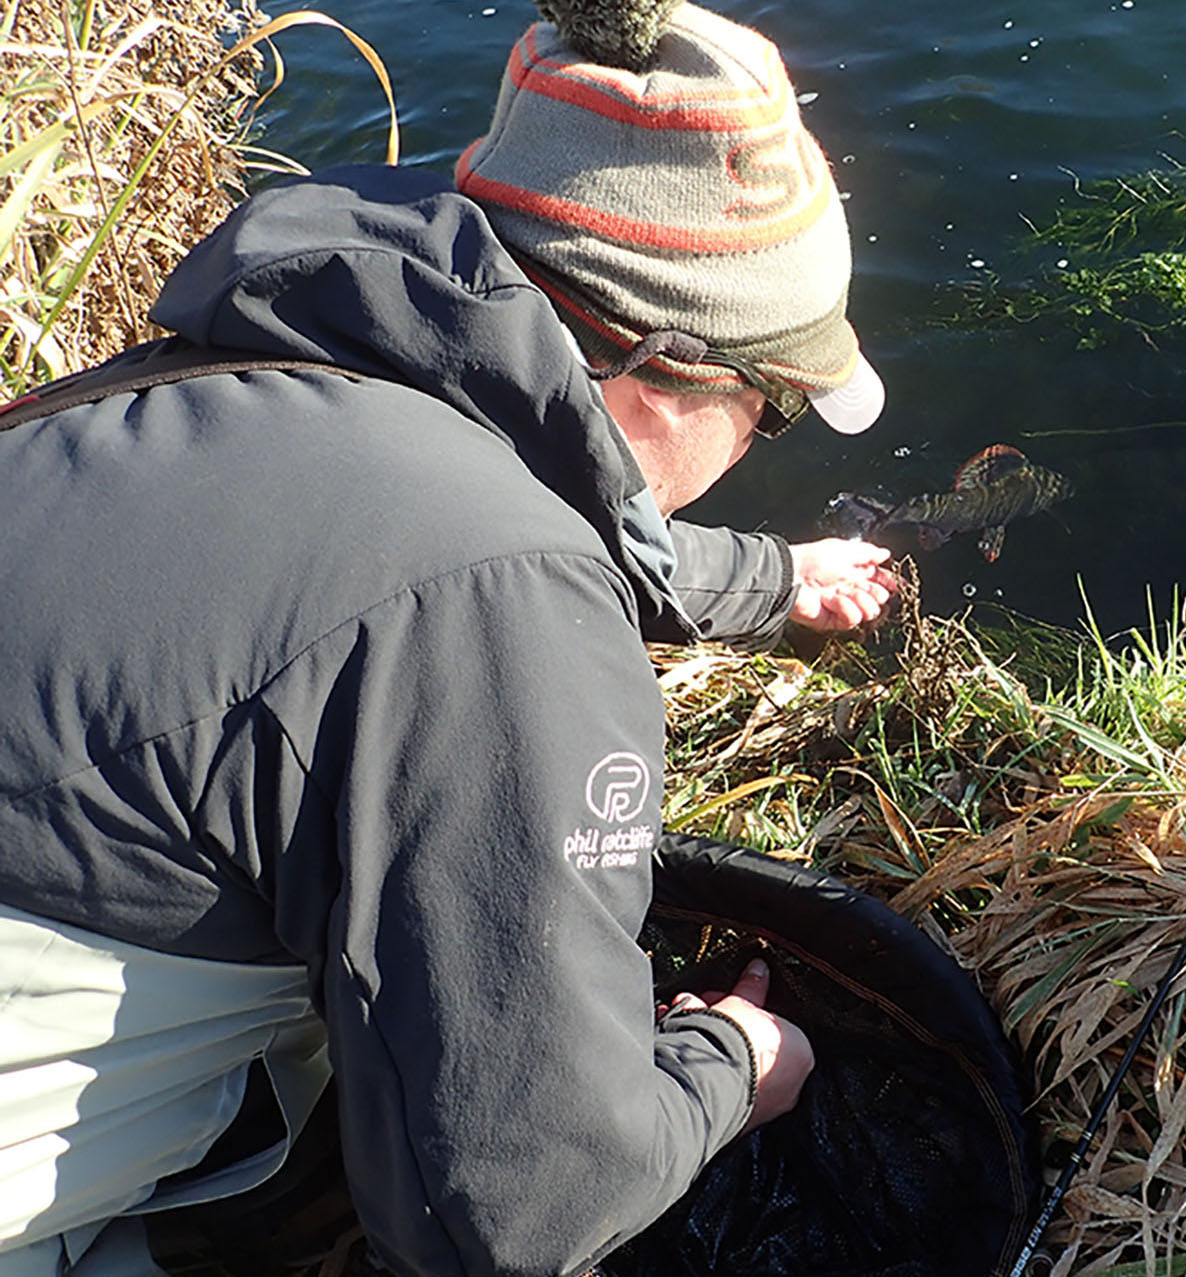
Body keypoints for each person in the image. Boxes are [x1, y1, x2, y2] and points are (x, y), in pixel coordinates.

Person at [0, 0, 897, 1272]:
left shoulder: (198, 386)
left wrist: (770, 580)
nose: (760, 442)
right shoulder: (505, 606)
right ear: (662, 363)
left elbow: (436, 543)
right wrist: (731, 1067)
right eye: (775, 410)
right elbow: (513, 1212)